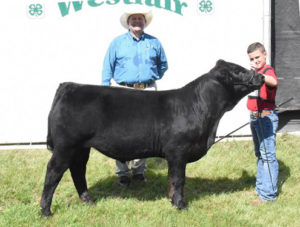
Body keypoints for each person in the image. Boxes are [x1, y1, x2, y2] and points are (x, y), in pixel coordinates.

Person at [101, 9, 168, 186]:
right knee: (120, 132)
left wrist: (151, 77)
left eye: (140, 19)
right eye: (133, 19)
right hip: (123, 92)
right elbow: (107, 67)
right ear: (128, 22)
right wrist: (105, 93)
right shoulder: (117, 43)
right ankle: (122, 172)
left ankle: (138, 171)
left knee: (146, 132)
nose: (137, 21)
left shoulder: (154, 42)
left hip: (148, 93)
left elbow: (163, 65)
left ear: (145, 22)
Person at [246, 42, 279, 204]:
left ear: (265, 54)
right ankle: (260, 188)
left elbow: (273, 81)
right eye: (251, 59)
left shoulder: (267, 71)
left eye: (257, 57)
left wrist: (260, 76)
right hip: (255, 118)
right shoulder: (254, 73)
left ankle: (268, 195)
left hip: (266, 118)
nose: (255, 61)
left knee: (268, 156)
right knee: (260, 154)